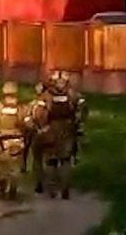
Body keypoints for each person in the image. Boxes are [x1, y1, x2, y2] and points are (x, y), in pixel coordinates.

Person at [39, 71, 81, 199]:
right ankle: (65, 187)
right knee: (66, 159)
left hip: (51, 129)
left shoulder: (46, 95)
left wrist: (42, 126)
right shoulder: (73, 94)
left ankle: (52, 187)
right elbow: (81, 110)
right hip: (67, 129)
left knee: (50, 160)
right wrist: (77, 124)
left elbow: (40, 113)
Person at [0, 81, 27, 200]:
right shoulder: (21, 108)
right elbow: (27, 122)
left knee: (1, 165)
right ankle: (13, 188)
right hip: (17, 140)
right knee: (14, 166)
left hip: (0, 140)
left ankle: (2, 187)